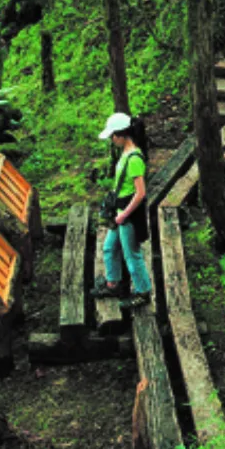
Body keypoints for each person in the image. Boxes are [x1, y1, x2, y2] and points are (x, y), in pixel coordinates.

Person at [90, 112, 152, 308]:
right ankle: (113, 283)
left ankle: (143, 292)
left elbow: (140, 193)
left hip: (128, 214)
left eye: (112, 136)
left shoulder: (134, 159)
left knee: (132, 254)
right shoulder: (124, 155)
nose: (111, 140)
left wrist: (124, 214)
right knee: (109, 247)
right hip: (120, 212)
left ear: (121, 135)